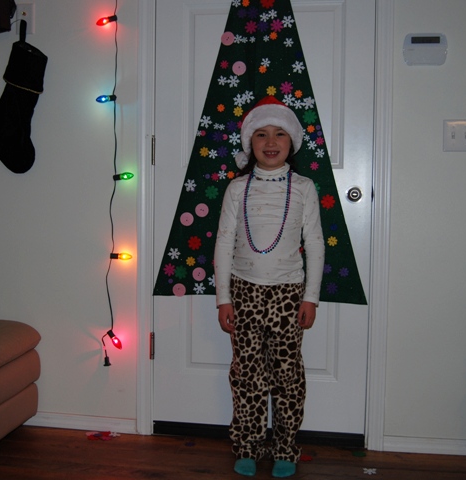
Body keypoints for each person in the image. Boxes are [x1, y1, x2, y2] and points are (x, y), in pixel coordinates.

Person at [214, 96, 325, 478]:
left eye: (280, 133)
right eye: (261, 134)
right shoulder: (236, 188)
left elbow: (315, 243)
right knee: (247, 373)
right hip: (243, 292)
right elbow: (223, 243)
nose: (271, 141)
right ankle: (247, 445)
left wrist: (310, 298)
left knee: (287, 374)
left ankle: (285, 448)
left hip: (288, 294)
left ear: (292, 142)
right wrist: (224, 299)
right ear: (250, 142)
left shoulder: (304, 187)